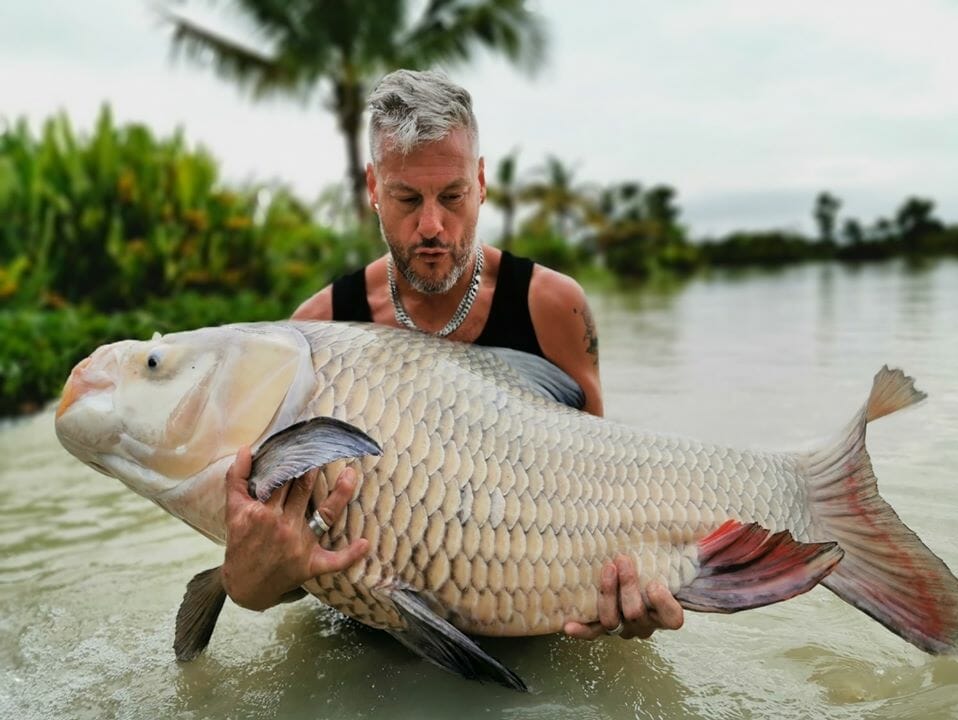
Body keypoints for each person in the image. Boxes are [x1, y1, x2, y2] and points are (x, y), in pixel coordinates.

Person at [221, 69, 684, 642]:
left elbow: (595, 490)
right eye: (407, 199)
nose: (433, 225)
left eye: (454, 196)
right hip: (371, 642)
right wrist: (248, 581)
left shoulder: (553, 307)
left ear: (482, 182)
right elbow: (282, 563)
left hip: (538, 630)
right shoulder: (316, 332)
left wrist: (630, 594)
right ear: (372, 187)